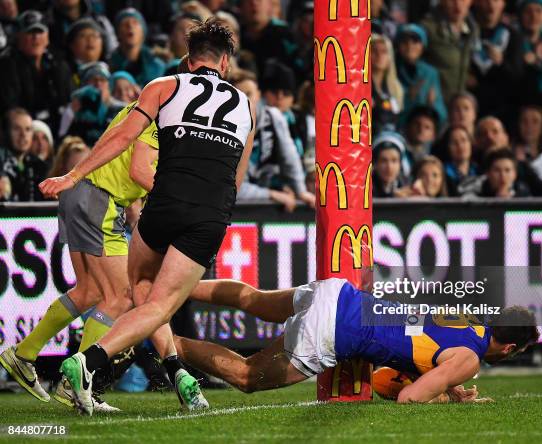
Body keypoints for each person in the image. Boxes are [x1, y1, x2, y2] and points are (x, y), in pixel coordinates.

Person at [39, 19, 255, 416]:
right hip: (207, 214)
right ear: (225, 64)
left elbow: (121, 137)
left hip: (163, 202)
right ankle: (89, 362)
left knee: (138, 289)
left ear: (190, 60)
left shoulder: (163, 86)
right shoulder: (245, 106)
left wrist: (72, 175)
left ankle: (175, 373)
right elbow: (235, 179)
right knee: (158, 304)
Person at [170, 278, 539, 403]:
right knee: (248, 377)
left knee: (254, 299)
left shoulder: (471, 322)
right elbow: (409, 397)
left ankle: (173, 287)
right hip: (334, 331)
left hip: (338, 294)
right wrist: (442, 394)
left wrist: (449, 386)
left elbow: (419, 341)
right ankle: (156, 336)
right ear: (510, 349)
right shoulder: (471, 359)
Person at [233, 69, 315, 210]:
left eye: (249, 94)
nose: (245, 101)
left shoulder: (274, 117)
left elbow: (290, 158)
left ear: (259, 95)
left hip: (262, 203)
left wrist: (300, 192)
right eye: (239, 95)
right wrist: (271, 194)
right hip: (235, 210)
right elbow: (234, 188)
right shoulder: (228, 128)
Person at [0, 10, 73, 133]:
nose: (36, 37)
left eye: (40, 31)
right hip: (23, 130)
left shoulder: (58, 63)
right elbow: (10, 108)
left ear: (47, 37)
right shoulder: (6, 65)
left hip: (58, 128)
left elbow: (68, 101)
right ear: (18, 36)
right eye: (30, 32)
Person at [471, 0, 523, 121]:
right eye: (486, 1)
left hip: (502, 108)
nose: (491, 5)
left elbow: (517, 77)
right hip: (472, 104)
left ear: (503, 4)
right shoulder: (467, 31)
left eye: (496, 0)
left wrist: (501, 63)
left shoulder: (513, 35)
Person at [421, 0, 479, 103]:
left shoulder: (473, 29)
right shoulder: (427, 29)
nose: (458, 4)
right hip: (435, 104)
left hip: (460, 106)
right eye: (452, 0)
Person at [395, 23, 447, 129]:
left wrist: (432, 106)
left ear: (423, 46)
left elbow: (441, 112)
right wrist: (408, 97)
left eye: (415, 41)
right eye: (404, 41)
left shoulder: (430, 73)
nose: (410, 46)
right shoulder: (391, 69)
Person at [109, 8, 165, 87]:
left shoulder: (158, 67)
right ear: (117, 33)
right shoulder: (109, 66)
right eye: (125, 23)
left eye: (135, 23)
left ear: (143, 32)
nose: (130, 26)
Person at [0, 108, 48, 201]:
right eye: (17, 129)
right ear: (4, 132)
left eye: (28, 129)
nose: (23, 134)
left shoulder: (39, 166)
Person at [371, 33, 404, 134]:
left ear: (390, 57)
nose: (379, 55)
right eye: (374, 51)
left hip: (390, 135)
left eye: (384, 51)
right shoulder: (357, 86)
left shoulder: (396, 88)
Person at [439, 125, 478, 195]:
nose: (460, 146)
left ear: (471, 143)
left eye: (464, 140)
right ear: (447, 147)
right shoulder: (441, 173)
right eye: (454, 142)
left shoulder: (480, 171)